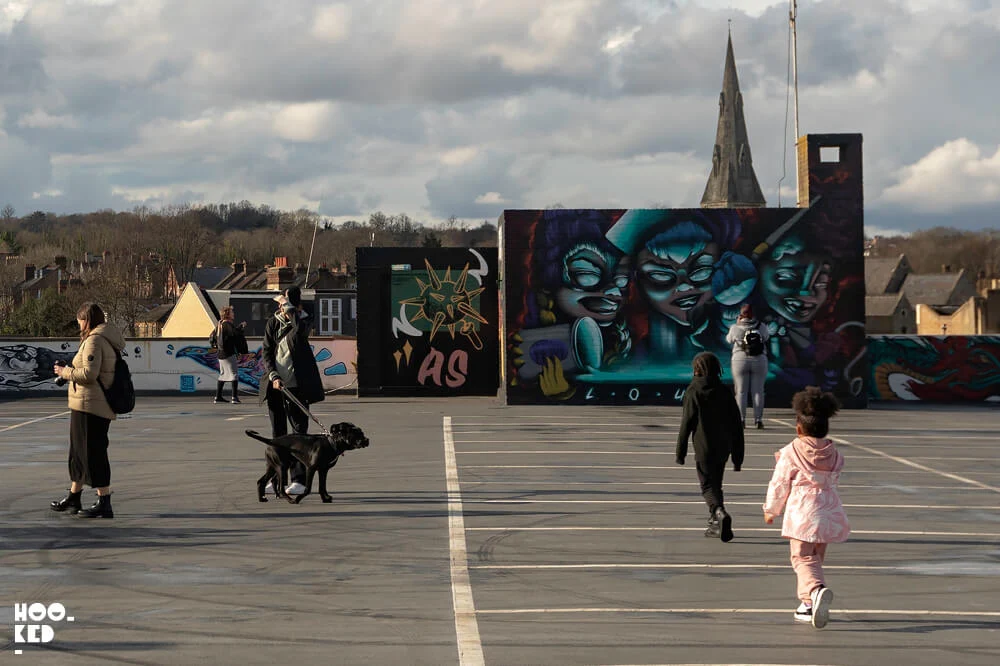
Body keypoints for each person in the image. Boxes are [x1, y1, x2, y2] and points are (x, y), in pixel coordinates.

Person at [762, 386, 849, 629]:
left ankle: (816, 590)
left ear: (799, 428)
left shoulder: (791, 452)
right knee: (815, 558)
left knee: (801, 557)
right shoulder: (835, 454)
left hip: (803, 514)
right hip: (829, 512)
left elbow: (779, 482)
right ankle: (807, 605)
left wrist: (772, 509)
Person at [49, 302, 125, 519]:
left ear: (88, 320)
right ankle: (75, 496)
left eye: (80, 319)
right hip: (88, 404)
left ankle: (104, 501)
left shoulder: (94, 340)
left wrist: (65, 372)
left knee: (93, 453)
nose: (79, 324)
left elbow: (89, 374)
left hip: (91, 405)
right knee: (79, 453)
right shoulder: (105, 338)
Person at [259, 286, 325, 496]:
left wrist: (292, 311)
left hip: (298, 387)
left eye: (284, 303)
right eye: (280, 303)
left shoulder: (304, 320)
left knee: (298, 434)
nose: (280, 307)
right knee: (277, 435)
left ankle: (299, 479)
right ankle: (276, 478)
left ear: (295, 305)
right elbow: (267, 352)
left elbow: (298, 331)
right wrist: (274, 376)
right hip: (277, 386)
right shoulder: (272, 323)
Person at [675, 351, 744, 542]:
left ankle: (719, 512)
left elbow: (686, 423)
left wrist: (680, 453)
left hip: (703, 447)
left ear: (696, 369)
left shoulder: (693, 391)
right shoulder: (724, 391)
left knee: (707, 486)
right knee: (716, 485)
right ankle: (715, 522)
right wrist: (738, 457)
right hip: (723, 447)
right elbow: (736, 425)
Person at [726, 303, 770, 428]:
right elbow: (766, 337)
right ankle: (758, 420)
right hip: (759, 359)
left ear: (741, 314)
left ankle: (741, 419)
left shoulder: (735, 327)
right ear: (753, 314)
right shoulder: (761, 326)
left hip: (740, 359)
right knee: (758, 391)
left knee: (740, 391)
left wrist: (738, 325)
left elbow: (729, 340)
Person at [209, 306, 247, 404]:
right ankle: (234, 397)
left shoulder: (220, 324)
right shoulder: (227, 324)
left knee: (223, 374)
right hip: (228, 353)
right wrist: (241, 327)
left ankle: (218, 397)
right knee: (234, 374)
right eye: (231, 312)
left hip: (220, 353)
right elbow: (235, 335)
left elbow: (212, 337)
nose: (233, 314)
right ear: (227, 314)